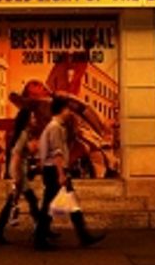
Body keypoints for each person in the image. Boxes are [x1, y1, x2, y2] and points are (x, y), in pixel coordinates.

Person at [34, 97, 104, 250]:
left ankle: (83, 235)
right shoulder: (55, 128)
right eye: (67, 109)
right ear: (61, 110)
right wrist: (61, 173)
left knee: (67, 203)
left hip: (51, 169)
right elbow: (57, 153)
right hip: (55, 169)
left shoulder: (52, 127)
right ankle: (40, 239)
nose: (70, 112)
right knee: (50, 205)